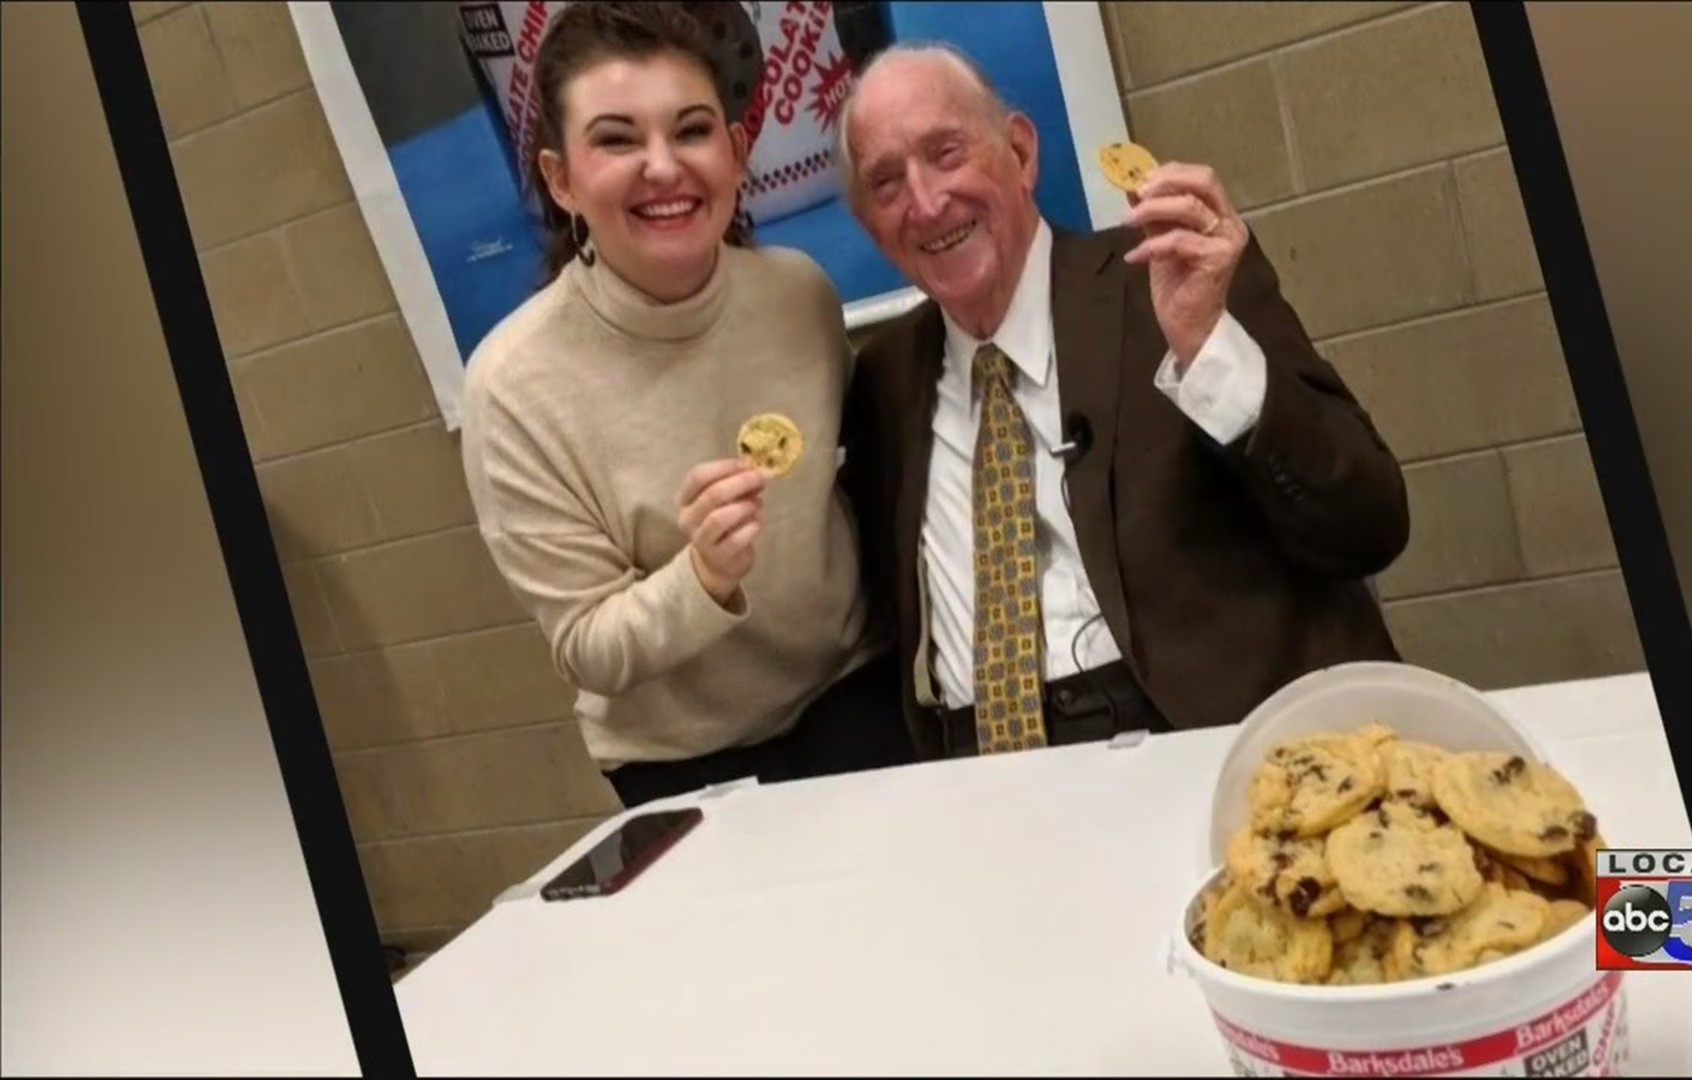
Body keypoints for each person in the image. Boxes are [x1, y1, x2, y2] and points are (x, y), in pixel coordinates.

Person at [834, 45, 1411, 760]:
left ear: (1019, 152)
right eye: (886, 183)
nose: (924, 203)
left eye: (946, 153)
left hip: (1207, 748)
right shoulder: (882, 383)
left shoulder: (1171, 288)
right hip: (984, 784)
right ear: (868, 223)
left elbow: (1369, 524)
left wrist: (1209, 351)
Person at [459, 2, 913, 809]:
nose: (663, 167)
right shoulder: (514, 389)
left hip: (852, 693)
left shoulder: (797, 294)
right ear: (561, 178)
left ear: (737, 154)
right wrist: (701, 577)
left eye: (692, 130)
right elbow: (587, 648)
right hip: (681, 758)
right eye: (617, 139)